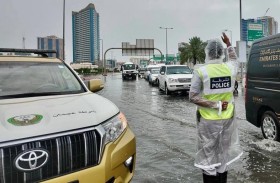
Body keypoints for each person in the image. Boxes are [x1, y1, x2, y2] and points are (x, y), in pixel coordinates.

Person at [189, 33, 243, 183]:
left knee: (208, 156)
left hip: (208, 120)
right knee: (223, 154)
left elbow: (193, 96)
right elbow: (234, 59)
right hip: (227, 119)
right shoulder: (229, 68)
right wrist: (229, 44)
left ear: (207, 53)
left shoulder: (201, 71)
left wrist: (215, 105)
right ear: (221, 53)